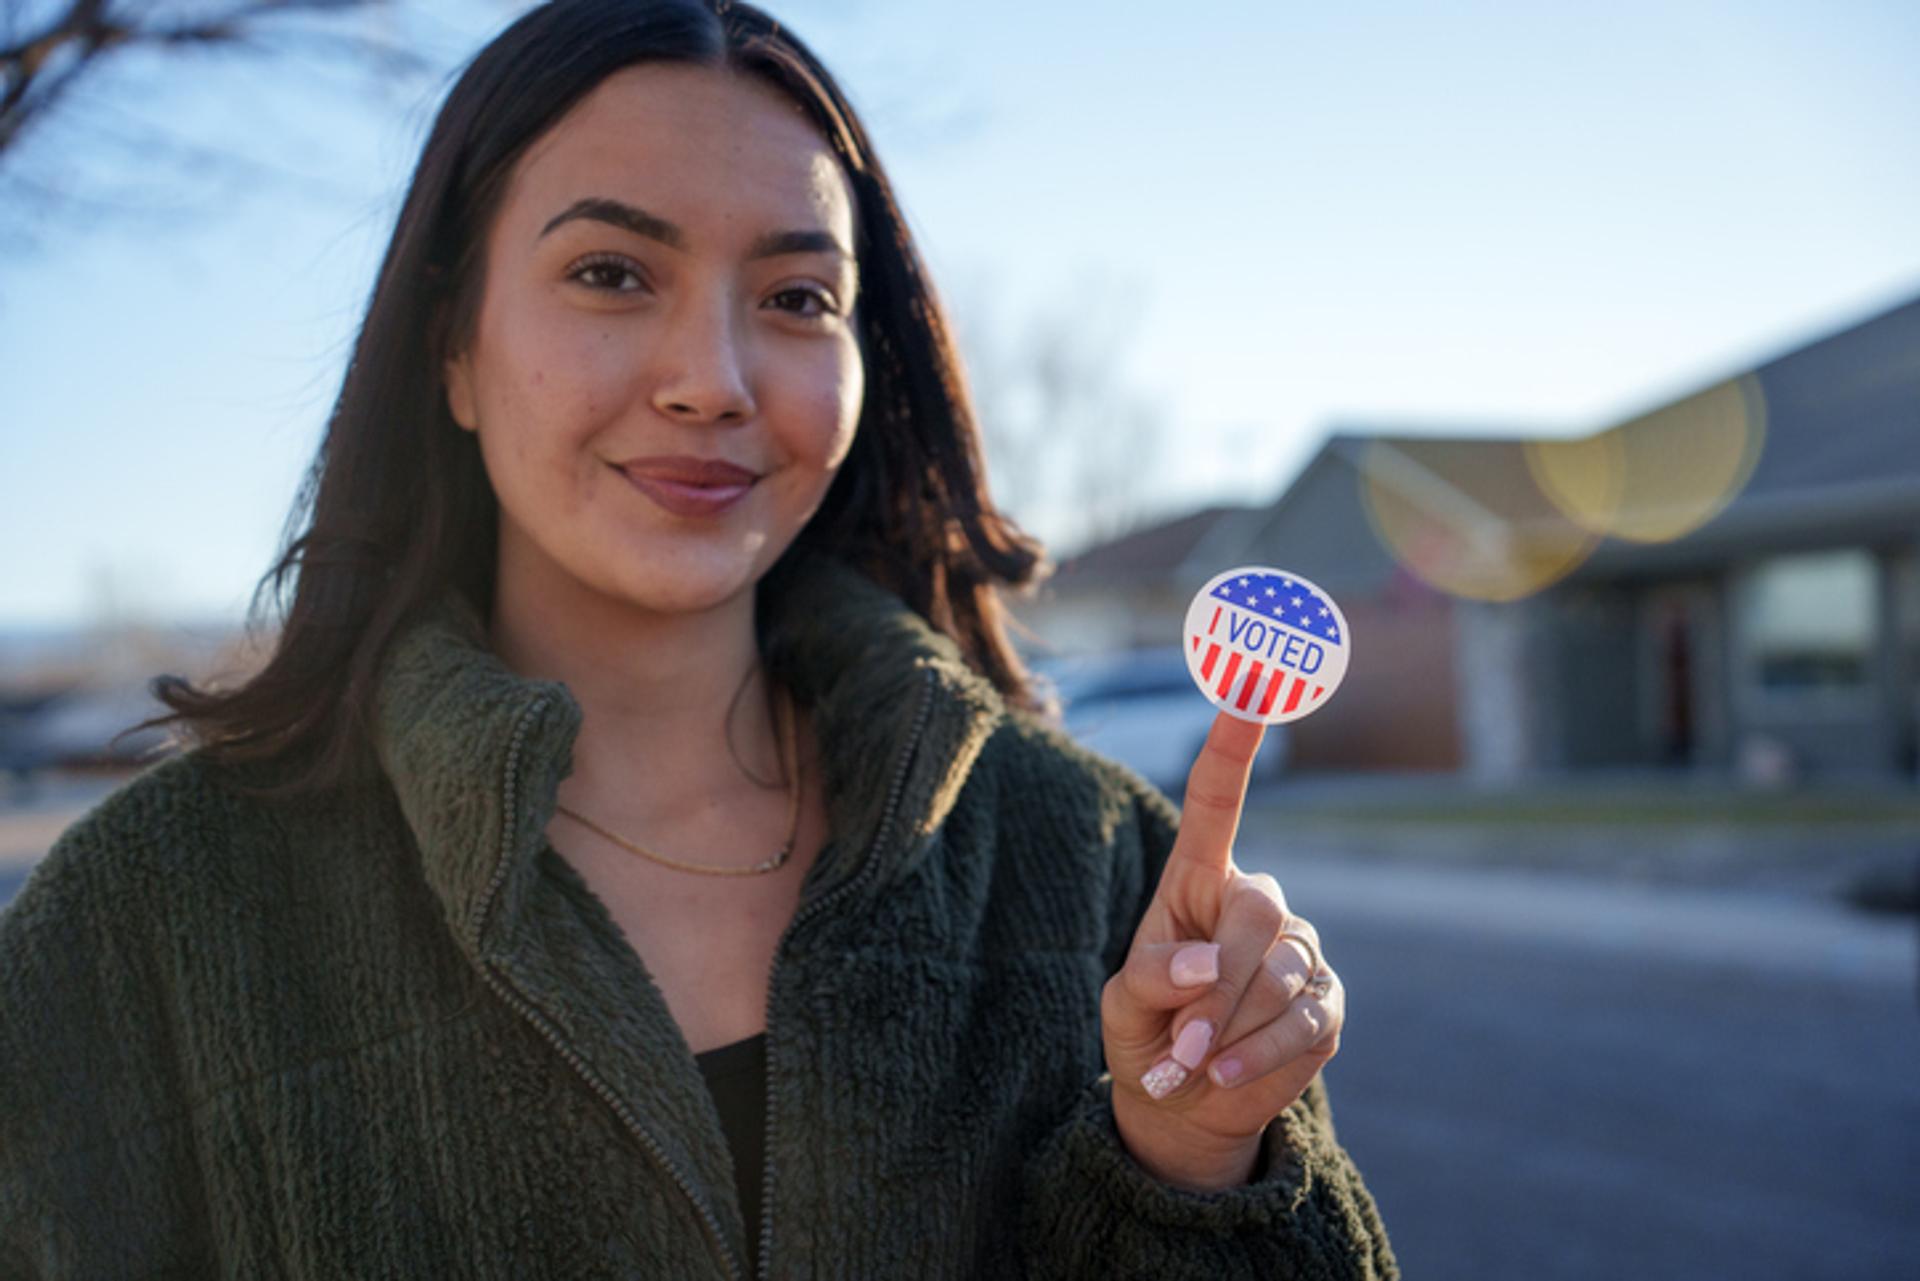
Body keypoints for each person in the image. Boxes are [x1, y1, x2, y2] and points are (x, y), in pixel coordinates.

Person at [0, 1, 1399, 1276]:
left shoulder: (1096, 867)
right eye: (611, 273)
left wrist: (1198, 1165)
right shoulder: (144, 921)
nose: (712, 382)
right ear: (452, 350)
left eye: (797, 298)